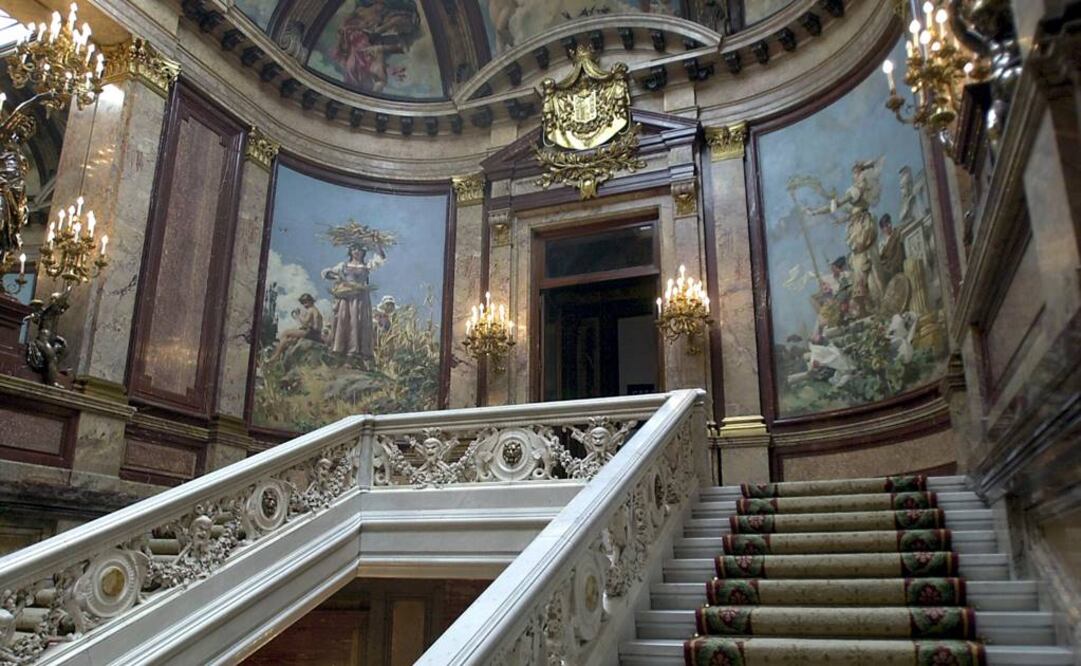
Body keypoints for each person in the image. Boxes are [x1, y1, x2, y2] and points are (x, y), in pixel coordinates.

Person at [805, 158, 885, 318]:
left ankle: (872, 302)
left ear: (861, 173)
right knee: (864, 264)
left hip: (861, 229)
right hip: (861, 225)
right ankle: (871, 301)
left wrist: (818, 210)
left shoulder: (856, 190)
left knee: (862, 264)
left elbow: (840, 204)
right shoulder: (861, 191)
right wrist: (838, 218)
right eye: (855, 173)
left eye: (856, 173)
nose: (854, 176)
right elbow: (851, 211)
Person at [322, 244, 386, 365]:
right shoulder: (343, 265)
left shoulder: (367, 266)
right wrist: (340, 280)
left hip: (360, 298)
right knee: (343, 320)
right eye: (353, 249)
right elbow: (327, 273)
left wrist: (377, 244)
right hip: (346, 297)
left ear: (363, 252)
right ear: (350, 251)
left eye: (359, 249)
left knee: (357, 321)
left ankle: (354, 353)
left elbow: (381, 258)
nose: (356, 251)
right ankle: (340, 350)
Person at [268, 293, 324, 363]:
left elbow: (305, 322)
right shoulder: (316, 310)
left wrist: (298, 315)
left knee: (286, 333)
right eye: (303, 303)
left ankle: (276, 356)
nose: (304, 305)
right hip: (316, 333)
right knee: (288, 339)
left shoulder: (311, 309)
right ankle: (278, 354)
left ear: (310, 301)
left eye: (306, 302)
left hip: (312, 333)